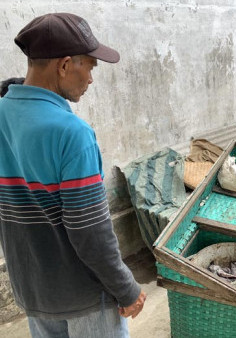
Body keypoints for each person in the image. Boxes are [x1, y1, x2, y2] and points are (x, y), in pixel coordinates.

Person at [0, 13, 146, 337]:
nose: (91, 79)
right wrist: (127, 289)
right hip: (85, 299)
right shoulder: (72, 133)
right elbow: (90, 233)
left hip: (32, 292)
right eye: (89, 67)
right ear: (64, 66)